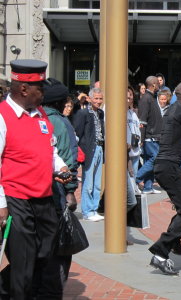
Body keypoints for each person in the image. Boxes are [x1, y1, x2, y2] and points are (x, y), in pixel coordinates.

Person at [0, 59, 71, 299]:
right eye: (40, 88)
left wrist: (60, 167)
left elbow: (50, 150)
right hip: (16, 198)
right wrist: (1, 206)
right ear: (23, 89)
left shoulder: (40, 114)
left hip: (44, 197)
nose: (43, 93)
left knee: (44, 254)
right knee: (23, 261)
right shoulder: (2, 116)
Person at [149, 82, 181, 275]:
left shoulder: (174, 109)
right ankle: (160, 252)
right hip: (168, 167)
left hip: (168, 167)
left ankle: (175, 241)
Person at [40, 77, 79, 299]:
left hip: (37, 194)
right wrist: (71, 190)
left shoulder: (39, 118)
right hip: (56, 193)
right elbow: (68, 159)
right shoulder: (61, 123)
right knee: (59, 247)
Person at [73, 87, 105, 220]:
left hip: (100, 148)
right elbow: (77, 133)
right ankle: (87, 211)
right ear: (90, 99)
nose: (98, 101)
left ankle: (94, 208)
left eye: (100, 98)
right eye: (96, 98)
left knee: (97, 183)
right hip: (89, 150)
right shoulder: (83, 114)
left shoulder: (101, 113)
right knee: (88, 183)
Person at [136, 76, 162, 194]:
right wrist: (142, 137)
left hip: (153, 136)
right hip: (150, 136)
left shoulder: (151, 97)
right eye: (157, 83)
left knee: (148, 160)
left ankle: (148, 187)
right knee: (154, 159)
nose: (159, 85)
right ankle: (135, 179)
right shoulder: (146, 99)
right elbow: (142, 121)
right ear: (153, 85)